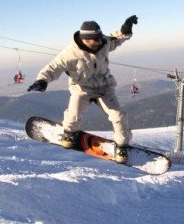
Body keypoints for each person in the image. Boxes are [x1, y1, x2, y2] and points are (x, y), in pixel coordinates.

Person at [28, 15, 138, 163]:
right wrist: (42, 80)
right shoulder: (70, 53)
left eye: (100, 38)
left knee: (118, 117)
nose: (100, 42)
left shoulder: (102, 42)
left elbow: (115, 39)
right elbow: (54, 67)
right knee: (73, 115)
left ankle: (122, 146)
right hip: (82, 89)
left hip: (105, 87)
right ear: (86, 40)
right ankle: (69, 133)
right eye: (96, 40)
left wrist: (125, 29)